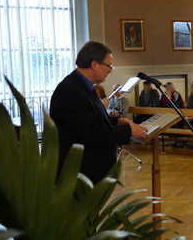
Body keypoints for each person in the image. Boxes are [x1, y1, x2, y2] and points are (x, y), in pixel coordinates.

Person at [49, 41, 147, 184]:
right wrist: (128, 130)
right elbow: (91, 134)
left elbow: (92, 118)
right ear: (94, 65)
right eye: (109, 65)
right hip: (81, 174)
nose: (111, 70)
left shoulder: (84, 86)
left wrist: (117, 121)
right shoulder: (71, 90)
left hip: (91, 172)